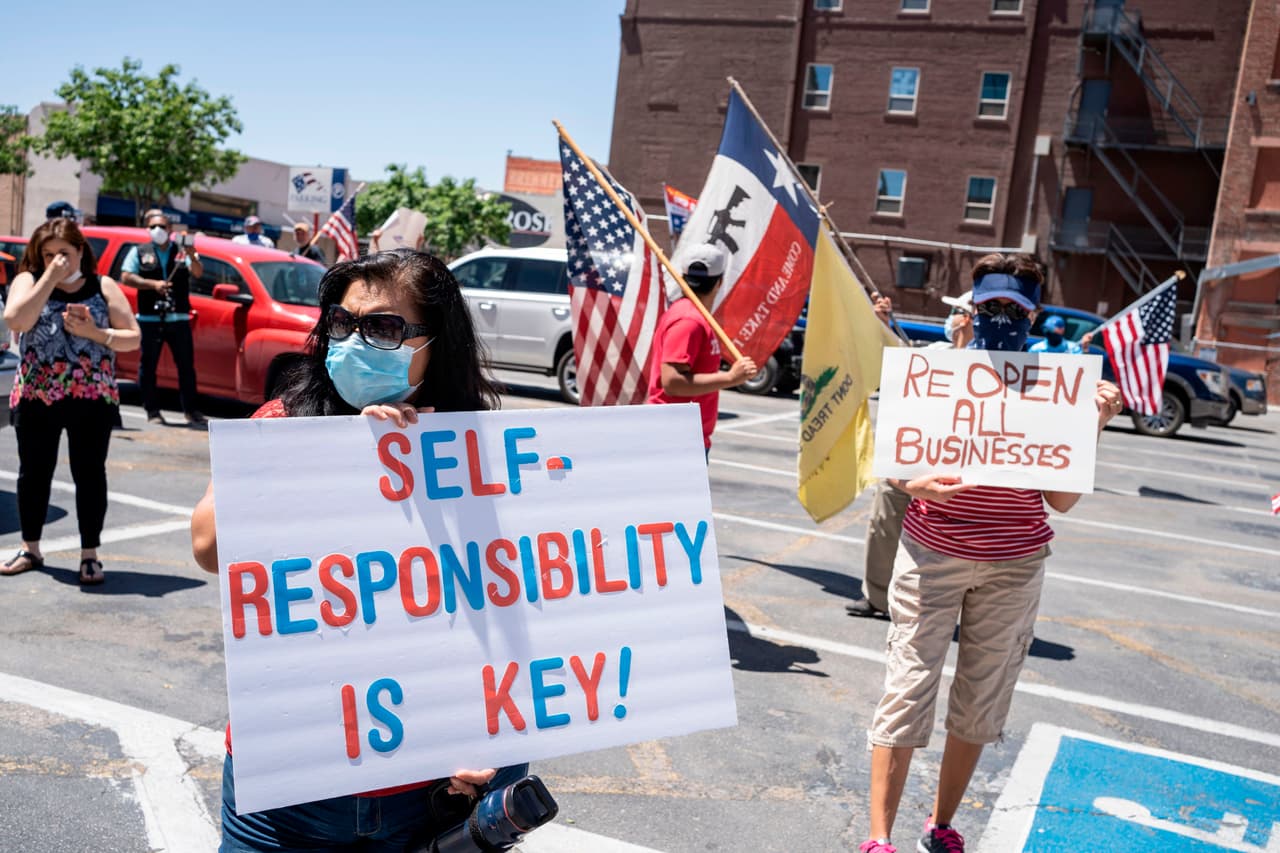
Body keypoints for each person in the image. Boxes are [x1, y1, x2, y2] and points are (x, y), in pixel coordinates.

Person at [191, 250, 528, 851]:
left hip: (427, 792)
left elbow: (521, 607)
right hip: (287, 786)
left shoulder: (485, 455)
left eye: (383, 328)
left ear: (436, 342)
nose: (353, 341)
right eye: (343, 325)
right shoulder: (284, 419)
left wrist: (493, 748)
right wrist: (331, 454)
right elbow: (209, 546)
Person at [858, 253, 1123, 853]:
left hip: (1014, 564)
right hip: (933, 553)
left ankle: (941, 823)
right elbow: (898, 457)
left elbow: (1060, 500)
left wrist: (1093, 427)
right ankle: (878, 839)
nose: (1001, 316)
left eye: (1015, 308)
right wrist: (911, 483)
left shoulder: (1056, 386)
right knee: (907, 685)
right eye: (991, 305)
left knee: (981, 698)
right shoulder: (937, 369)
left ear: (1036, 314)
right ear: (973, 306)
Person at [0, 219, 140, 584]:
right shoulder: (29, 281)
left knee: (90, 473)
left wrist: (97, 334)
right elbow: (15, 318)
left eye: (63, 253)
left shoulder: (102, 285)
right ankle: (30, 548)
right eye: (48, 254)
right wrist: (48, 279)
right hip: (37, 394)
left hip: (90, 396)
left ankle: (90, 555)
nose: (56, 260)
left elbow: (133, 337)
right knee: (34, 472)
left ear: (81, 250)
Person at [850, 290, 974, 620]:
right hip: (909, 458)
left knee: (942, 541)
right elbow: (895, 361)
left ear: (969, 318)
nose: (951, 319)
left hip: (950, 467)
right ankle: (876, 597)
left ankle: (930, 605)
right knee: (883, 525)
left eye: (957, 313)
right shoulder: (935, 352)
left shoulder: (989, 363)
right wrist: (883, 324)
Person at [646, 243, 757, 456]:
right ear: (720, 282)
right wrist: (731, 378)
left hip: (684, 435)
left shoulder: (693, 315)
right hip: (675, 438)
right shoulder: (689, 320)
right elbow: (672, 382)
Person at [119, 209, 206, 426]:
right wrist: (153, 285)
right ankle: (152, 411)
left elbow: (197, 272)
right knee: (148, 367)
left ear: (170, 230)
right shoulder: (139, 251)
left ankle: (191, 410)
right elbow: (126, 276)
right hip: (150, 318)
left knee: (186, 366)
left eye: (162, 226)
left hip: (178, 318)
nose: (157, 230)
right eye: (152, 227)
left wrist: (192, 253)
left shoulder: (181, 252)